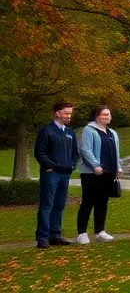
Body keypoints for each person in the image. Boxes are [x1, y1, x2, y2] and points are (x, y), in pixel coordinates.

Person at [34, 101, 79, 249]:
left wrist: (72, 165)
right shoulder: (47, 131)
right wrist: (50, 166)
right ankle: (43, 237)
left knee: (60, 204)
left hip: (65, 174)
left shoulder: (69, 132)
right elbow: (40, 152)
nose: (69, 116)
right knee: (47, 204)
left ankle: (55, 234)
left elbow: (75, 153)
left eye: (70, 113)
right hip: (51, 174)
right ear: (57, 113)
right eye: (66, 113)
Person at [76, 105, 121, 244]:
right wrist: (95, 165)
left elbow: (116, 151)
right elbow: (85, 149)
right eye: (104, 115)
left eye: (109, 114)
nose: (107, 117)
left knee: (103, 202)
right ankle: (82, 233)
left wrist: (118, 167)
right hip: (92, 173)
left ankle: (100, 230)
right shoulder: (89, 130)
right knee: (88, 201)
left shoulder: (112, 133)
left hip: (108, 172)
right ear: (97, 116)